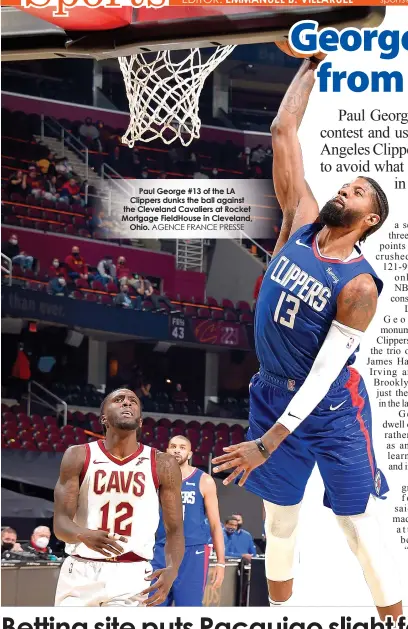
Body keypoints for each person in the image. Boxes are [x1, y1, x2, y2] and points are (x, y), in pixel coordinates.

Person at [212, 52, 402, 620]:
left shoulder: (359, 286)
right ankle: (277, 616)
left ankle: (393, 618)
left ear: (370, 219)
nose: (345, 190)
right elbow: (282, 130)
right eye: (345, 184)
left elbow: (323, 375)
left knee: (357, 526)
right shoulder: (299, 220)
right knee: (280, 519)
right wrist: (313, 61)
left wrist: (267, 442)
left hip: (331, 405)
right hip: (272, 390)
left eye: (359, 192)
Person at [53, 388, 184, 607]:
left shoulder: (163, 463)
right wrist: (83, 534)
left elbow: (175, 529)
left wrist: (172, 569)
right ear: (103, 417)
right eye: (119, 400)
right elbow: (60, 524)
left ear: (140, 421)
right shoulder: (78, 455)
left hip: (132, 574)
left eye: (133, 401)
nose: (127, 403)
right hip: (80, 570)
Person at [152, 435, 225, 606]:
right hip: (162, 550)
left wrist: (221, 563)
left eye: (182, 447)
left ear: (190, 453)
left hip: (193, 551)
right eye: (173, 446)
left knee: (188, 609)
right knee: (152, 605)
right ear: (167, 451)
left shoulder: (204, 480)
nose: (177, 450)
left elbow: (215, 525)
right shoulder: (156, 479)